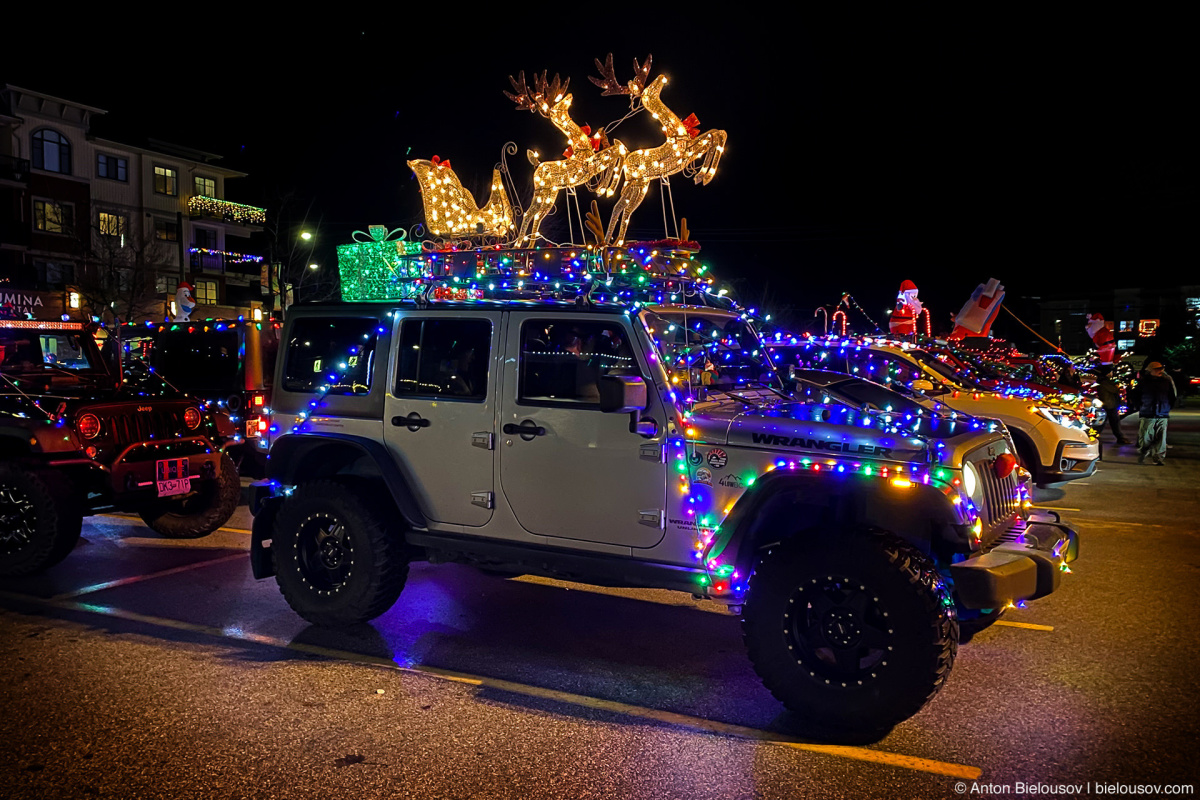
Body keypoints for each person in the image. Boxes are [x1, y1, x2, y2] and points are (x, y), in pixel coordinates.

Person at [1135, 361, 1176, 466]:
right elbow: (1136, 396)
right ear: (1151, 371)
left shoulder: (1166, 381)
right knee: (1145, 437)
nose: (1160, 371)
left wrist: (1166, 408)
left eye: (1161, 369)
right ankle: (1144, 452)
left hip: (1162, 413)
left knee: (1161, 438)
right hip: (1148, 413)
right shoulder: (1144, 382)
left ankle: (1158, 458)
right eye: (1157, 369)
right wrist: (1141, 406)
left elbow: (1172, 396)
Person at [1096, 366, 1127, 444]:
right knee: (1113, 422)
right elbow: (1115, 390)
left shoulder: (1104, 381)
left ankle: (1094, 435)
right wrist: (1117, 386)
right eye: (1111, 372)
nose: (1112, 373)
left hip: (1109, 404)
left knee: (1106, 422)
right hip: (1109, 404)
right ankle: (1120, 438)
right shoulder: (1105, 382)